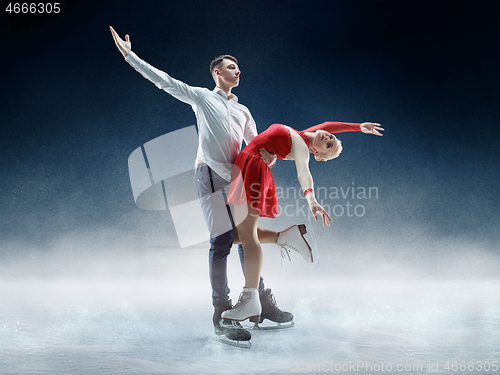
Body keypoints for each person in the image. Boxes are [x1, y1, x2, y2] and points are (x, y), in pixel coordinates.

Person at [109, 27, 311, 338]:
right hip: (209, 174)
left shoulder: (243, 110)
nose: (237, 70)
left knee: (247, 238)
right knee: (221, 242)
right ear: (216, 73)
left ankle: (258, 304)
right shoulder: (202, 97)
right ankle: (222, 311)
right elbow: (164, 82)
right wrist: (130, 56)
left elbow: (256, 145)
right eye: (231, 67)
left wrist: (270, 157)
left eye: (239, 67)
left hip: (237, 179)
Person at [222, 121, 384, 322]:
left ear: (317, 154)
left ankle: (251, 300)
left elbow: (304, 173)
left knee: (247, 238)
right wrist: (358, 127)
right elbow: (328, 125)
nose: (328, 138)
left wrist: (312, 199)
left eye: (329, 145)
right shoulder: (304, 135)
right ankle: (285, 237)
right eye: (331, 138)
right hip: (246, 166)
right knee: (229, 237)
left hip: (253, 170)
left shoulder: (301, 147)